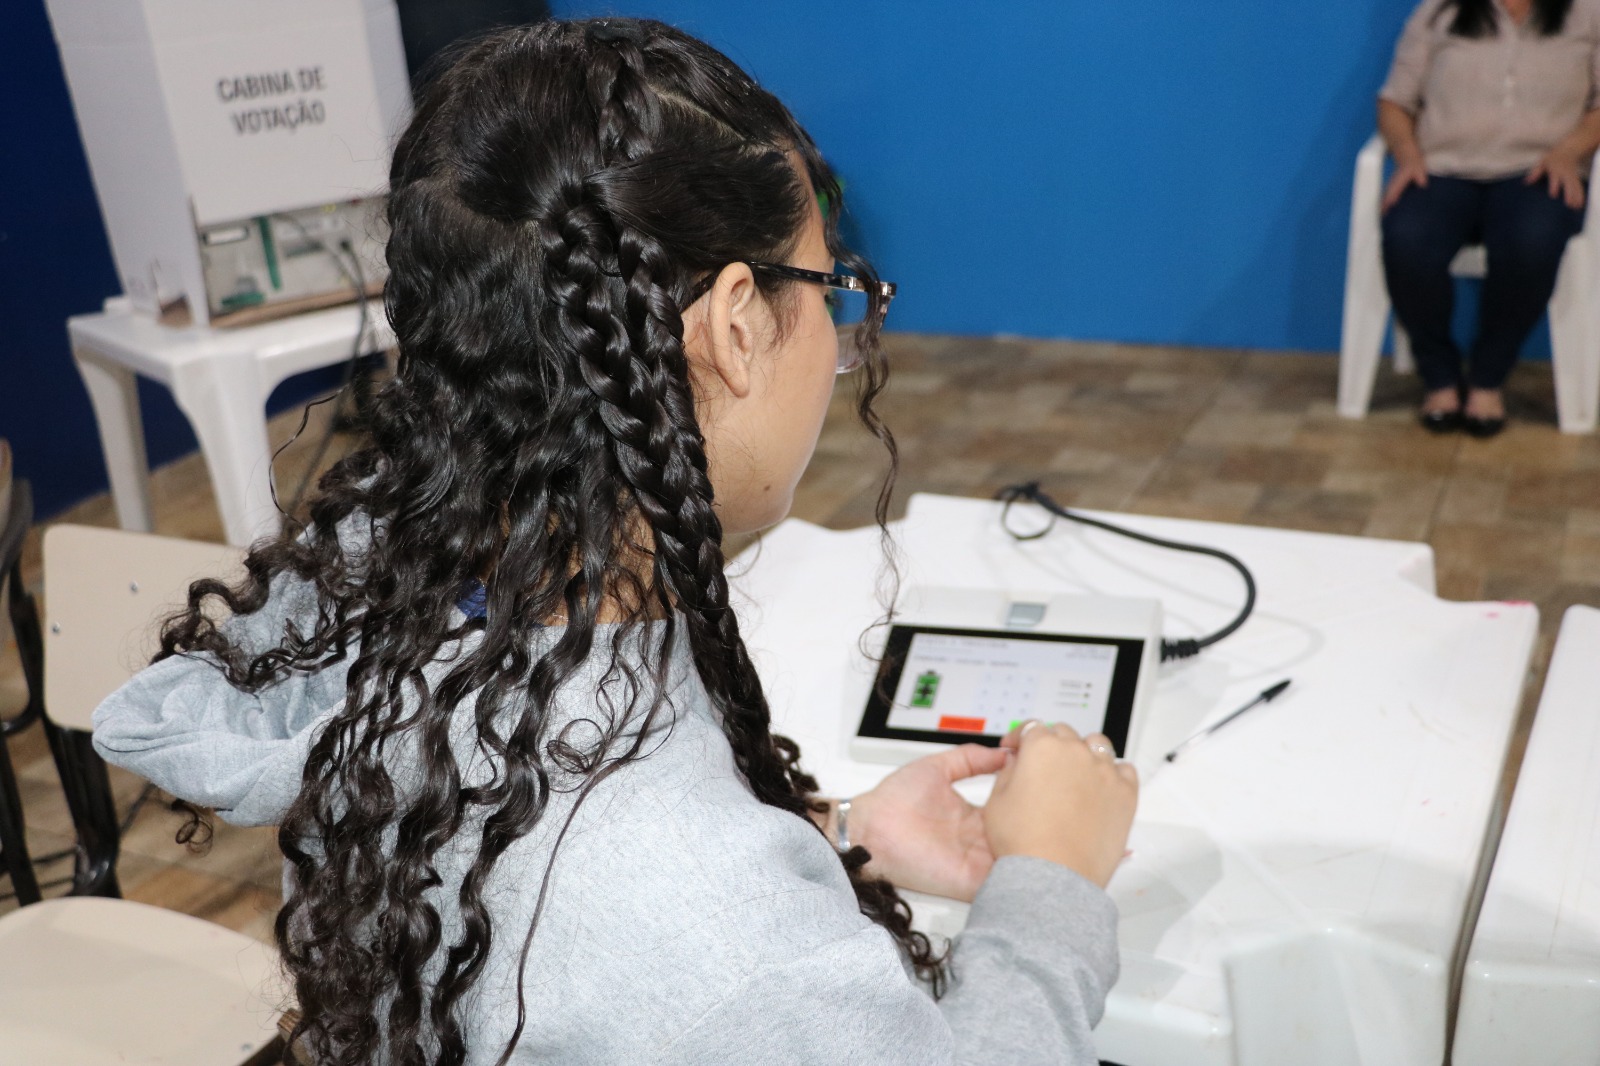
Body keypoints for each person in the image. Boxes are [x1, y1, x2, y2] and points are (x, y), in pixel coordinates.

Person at [91, 19, 1138, 1066]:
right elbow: (674, 931)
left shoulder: (386, 594)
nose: (840, 336)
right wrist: (1047, 886)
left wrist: (837, 832)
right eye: (830, 289)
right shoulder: (724, 940)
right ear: (736, 326)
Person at [1378, 0, 1600, 436]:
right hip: (1445, 169)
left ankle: (1487, 378)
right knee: (1406, 238)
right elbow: (1394, 101)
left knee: (1531, 242)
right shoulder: (1437, 12)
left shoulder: (1588, 13)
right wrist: (1406, 153)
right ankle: (1439, 377)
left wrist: (1569, 150)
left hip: (1539, 169)